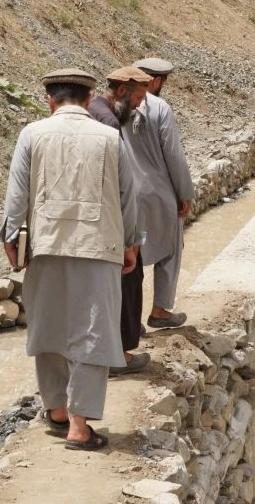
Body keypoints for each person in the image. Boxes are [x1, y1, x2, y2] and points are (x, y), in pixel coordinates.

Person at [0, 68, 140, 451]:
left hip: (45, 246)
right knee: (93, 331)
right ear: (89, 97)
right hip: (99, 247)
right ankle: (80, 425)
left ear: (50, 100)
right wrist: (130, 243)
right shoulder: (111, 137)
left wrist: (12, 238)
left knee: (49, 327)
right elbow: (129, 195)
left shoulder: (32, 134)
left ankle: (57, 410)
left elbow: (16, 194)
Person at [90, 66, 154, 375]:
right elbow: (120, 185)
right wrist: (131, 238)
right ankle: (120, 355)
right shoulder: (109, 122)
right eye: (139, 98)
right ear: (120, 93)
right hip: (108, 220)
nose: (141, 105)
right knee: (128, 279)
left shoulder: (94, 112)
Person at [127, 57, 195, 328]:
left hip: (124, 192)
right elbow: (173, 155)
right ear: (155, 81)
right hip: (156, 191)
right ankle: (160, 311)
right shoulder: (159, 107)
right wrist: (185, 193)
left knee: (131, 255)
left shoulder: (116, 105)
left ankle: (130, 324)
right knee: (171, 247)